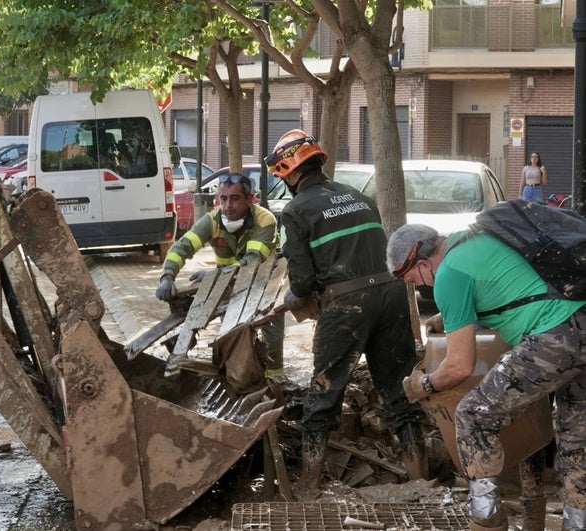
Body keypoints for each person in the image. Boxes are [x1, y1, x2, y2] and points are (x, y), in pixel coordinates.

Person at [386, 223, 586, 531]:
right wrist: (453, 316)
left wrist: (423, 384)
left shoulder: (449, 274)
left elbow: (459, 367)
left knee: (473, 415)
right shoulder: (477, 239)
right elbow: (509, 290)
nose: (420, 286)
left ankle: (486, 522)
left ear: (422, 263)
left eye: (414, 280)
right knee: (576, 440)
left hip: (555, 339)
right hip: (580, 324)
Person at [266, 129, 428, 490]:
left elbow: (303, 281)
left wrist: (293, 296)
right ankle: (422, 481)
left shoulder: (294, 210)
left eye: (283, 175)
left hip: (348, 306)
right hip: (391, 295)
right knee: (399, 392)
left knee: (323, 396)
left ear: (290, 171)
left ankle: (308, 489)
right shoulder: (358, 196)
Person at [155, 172, 285, 375]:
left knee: (273, 340)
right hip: (229, 286)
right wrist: (167, 277)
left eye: (235, 198)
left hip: (263, 287)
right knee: (229, 336)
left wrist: (215, 276)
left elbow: (252, 262)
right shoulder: (213, 220)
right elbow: (182, 247)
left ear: (249, 199)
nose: (228, 205)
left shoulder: (264, 220)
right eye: (223, 199)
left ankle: (277, 384)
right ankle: (234, 379)